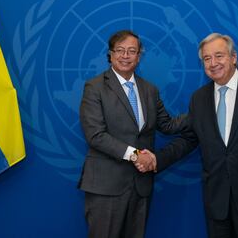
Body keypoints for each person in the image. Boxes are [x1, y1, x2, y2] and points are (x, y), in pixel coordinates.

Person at [137, 33, 238, 238]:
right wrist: (157, 159)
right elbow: (190, 139)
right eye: (207, 58)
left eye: (219, 56)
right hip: (217, 201)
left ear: (233, 57)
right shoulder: (199, 98)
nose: (213, 63)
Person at [78, 30, 186, 238]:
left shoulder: (149, 90)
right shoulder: (95, 87)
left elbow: (168, 125)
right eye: (120, 50)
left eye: (131, 51)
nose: (125, 56)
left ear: (139, 56)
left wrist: (202, 111)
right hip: (106, 187)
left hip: (140, 186)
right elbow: (95, 135)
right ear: (110, 54)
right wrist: (136, 155)